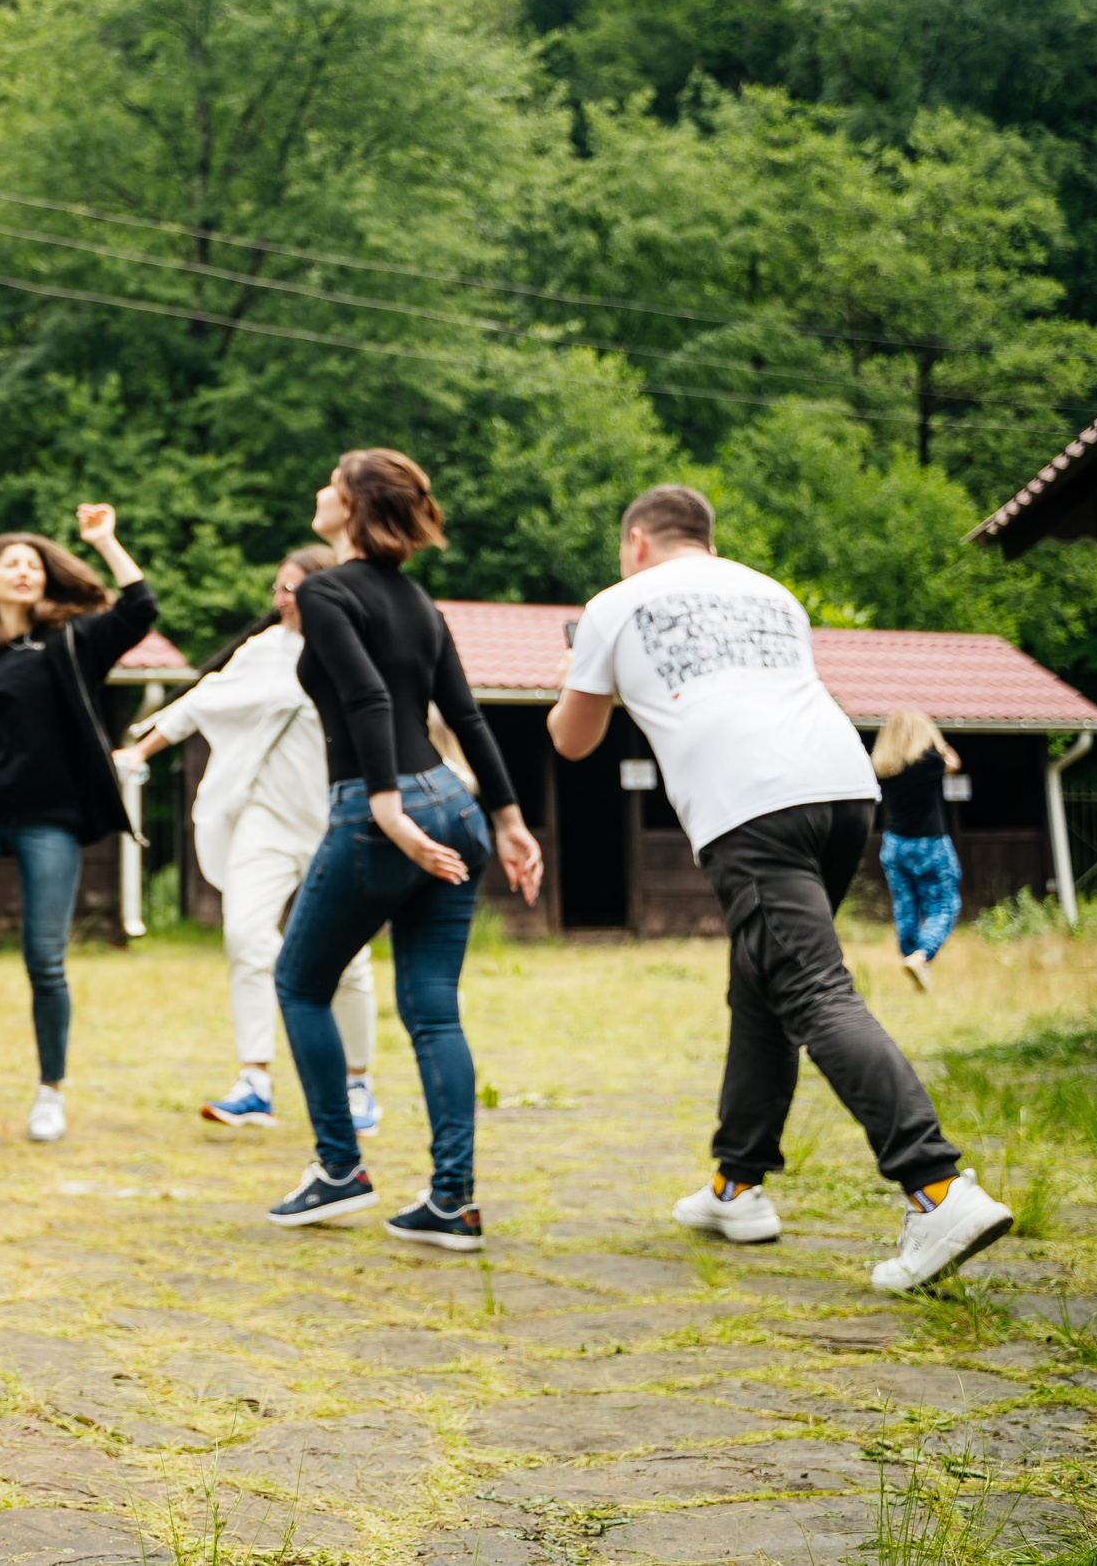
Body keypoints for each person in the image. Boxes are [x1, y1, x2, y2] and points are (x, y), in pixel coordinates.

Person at [547, 485, 1010, 1294]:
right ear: (706, 539)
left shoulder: (614, 604)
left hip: (751, 806)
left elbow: (573, 739)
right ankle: (737, 1185)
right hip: (844, 791)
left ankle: (937, 1188)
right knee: (762, 982)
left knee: (812, 989)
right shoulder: (772, 593)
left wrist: (584, 676)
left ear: (636, 541)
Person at [262, 452, 543, 1252]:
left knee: (299, 982)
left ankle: (338, 1167)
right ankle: (453, 1201)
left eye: (331, 480)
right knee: (432, 1007)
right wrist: (509, 818)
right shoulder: (419, 601)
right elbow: (468, 715)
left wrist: (384, 806)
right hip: (455, 804)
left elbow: (368, 697)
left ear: (352, 504)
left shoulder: (324, 591)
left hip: (379, 808)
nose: (319, 489)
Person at [114, 547, 383, 1134]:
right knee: (244, 935)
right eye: (277, 588)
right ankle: (255, 1082)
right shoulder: (262, 651)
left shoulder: (359, 651)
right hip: (265, 820)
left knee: (350, 958)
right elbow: (201, 700)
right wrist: (138, 751)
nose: (282, 599)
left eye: (294, 588)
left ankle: (357, 1085)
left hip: (337, 821)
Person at [0, 505, 154, 1143]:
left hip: (51, 819)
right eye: (11, 564)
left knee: (44, 961)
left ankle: (51, 1092)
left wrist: (105, 541)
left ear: (46, 580)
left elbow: (141, 608)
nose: (24, 571)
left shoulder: (73, 641)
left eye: (34, 564)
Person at [872, 708, 962, 992]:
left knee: (905, 907)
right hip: (929, 843)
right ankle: (921, 956)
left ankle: (911, 959)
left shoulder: (885, 767)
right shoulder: (929, 762)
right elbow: (954, 762)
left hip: (895, 845)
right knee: (943, 904)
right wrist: (937, 740)